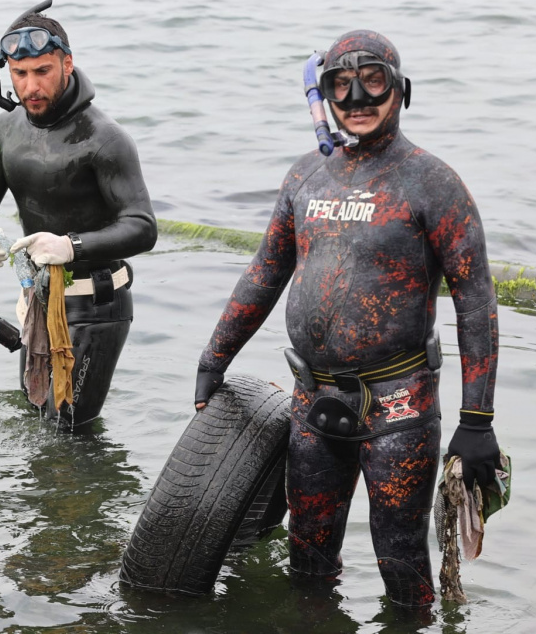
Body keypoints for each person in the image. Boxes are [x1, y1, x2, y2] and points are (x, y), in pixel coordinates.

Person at [194, 30, 501, 608]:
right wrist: (214, 359)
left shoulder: (433, 184)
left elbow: (476, 304)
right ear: (324, 94)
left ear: (401, 90)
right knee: (307, 560)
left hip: (400, 407)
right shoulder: (305, 176)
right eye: (341, 85)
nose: (357, 99)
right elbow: (263, 273)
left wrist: (477, 420)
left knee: (402, 563)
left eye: (373, 82)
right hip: (313, 400)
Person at [0, 8, 157, 429]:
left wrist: (71, 246)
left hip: (97, 304)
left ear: (67, 64)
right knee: (36, 421)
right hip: (40, 300)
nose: (30, 86)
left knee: (68, 433)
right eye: (19, 73)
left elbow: (143, 227)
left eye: (42, 71)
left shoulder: (105, 138)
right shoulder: (5, 130)